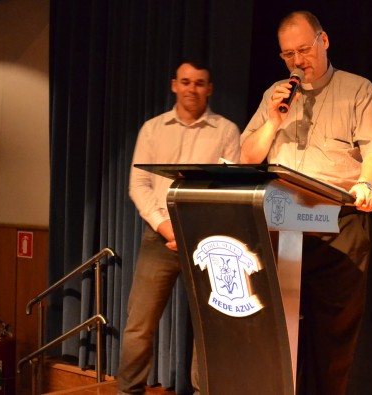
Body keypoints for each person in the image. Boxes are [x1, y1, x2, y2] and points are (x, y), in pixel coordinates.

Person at [240, 10, 372, 395]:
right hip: (279, 223)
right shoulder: (274, 95)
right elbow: (247, 156)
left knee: (332, 336)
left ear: (324, 41)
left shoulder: (358, 90)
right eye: (288, 54)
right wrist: (274, 121)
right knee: (274, 328)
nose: (298, 61)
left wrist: (364, 184)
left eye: (304, 49)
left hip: (337, 224)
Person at [119, 60, 241, 395]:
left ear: (210, 88)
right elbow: (138, 185)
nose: (192, 89)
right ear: (174, 85)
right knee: (139, 325)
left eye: (200, 83)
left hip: (207, 241)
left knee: (208, 328)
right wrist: (168, 229)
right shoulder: (152, 129)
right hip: (160, 238)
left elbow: (228, 190)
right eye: (186, 82)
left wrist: (195, 232)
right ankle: (128, 391)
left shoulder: (227, 131)